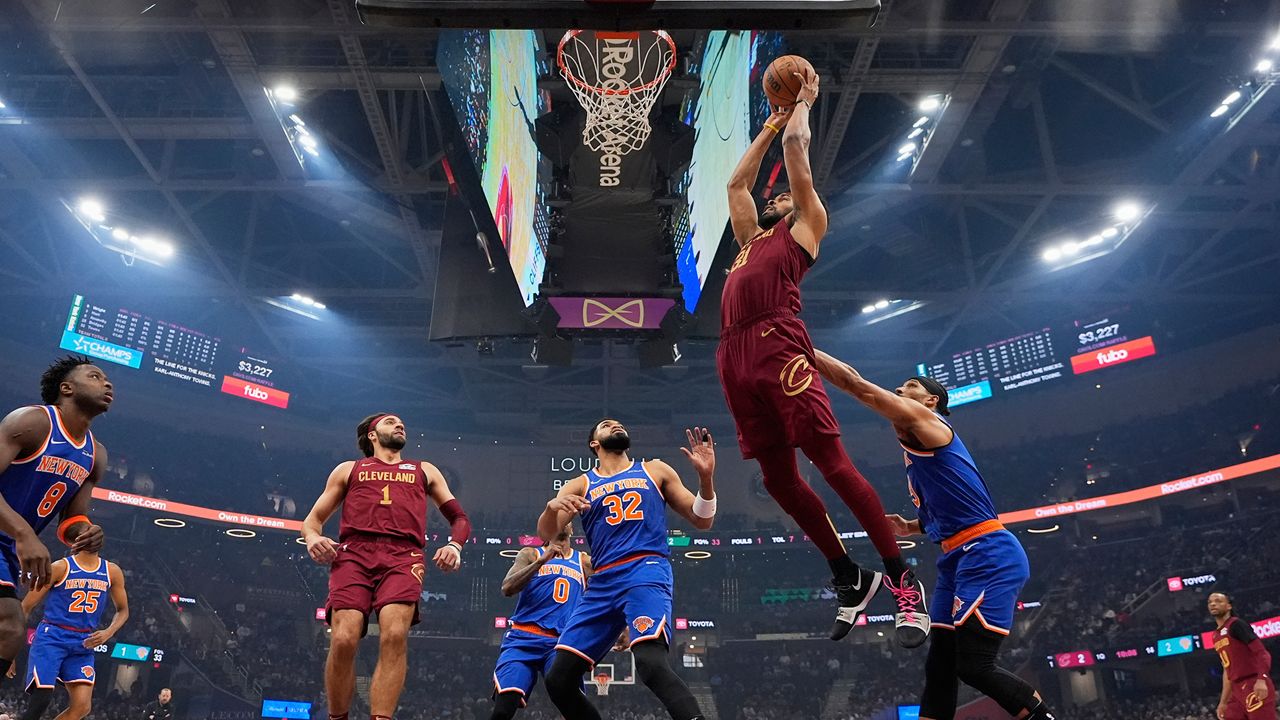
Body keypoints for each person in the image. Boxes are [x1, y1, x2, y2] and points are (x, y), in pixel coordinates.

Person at [721, 68, 926, 645]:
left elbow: (797, 153)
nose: (775, 196)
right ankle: (849, 576)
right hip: (733, 355)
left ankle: (902, 579)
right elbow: (736, 186)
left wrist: (802, 106)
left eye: (783, 195)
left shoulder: (806, 226)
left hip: (779, 343)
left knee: (831, 463)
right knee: (778, 481)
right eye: (775, 197)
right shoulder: (751, 241)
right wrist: (767, 125)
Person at [812, 351, 1055, 720]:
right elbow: (957, 504)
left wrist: (802, 346)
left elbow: (856, 384)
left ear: (931, 401)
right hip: (956, 556)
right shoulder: (919, 449)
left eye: (910, 386)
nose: (899, 389)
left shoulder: (930, 423)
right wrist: (912, 526)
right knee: (940, 665)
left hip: (988, 552)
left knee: (974, 666)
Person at [539, 421, 716, 720]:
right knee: (559, 680)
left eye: (618, 424)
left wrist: (706, 478)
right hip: (603, 581)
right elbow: (547, 534)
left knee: (650, 663)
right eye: (606, 425)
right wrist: (551, 507)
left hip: (644, 569)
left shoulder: (655, 470)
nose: (615, 425)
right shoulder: (580, 484)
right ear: (594, 443)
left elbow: (702, 519)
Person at [302, 413, 472, 720]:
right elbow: (312, 520)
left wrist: (454, 545)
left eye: (401, 422)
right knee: (342, 638)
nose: (399, 425)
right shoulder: (349, 469)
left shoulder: (425, 470)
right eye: (390, 422)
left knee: (394, 636)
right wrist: (313, 538)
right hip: (354, 553)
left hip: (403, 555)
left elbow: (459, 518)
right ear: (372, 435)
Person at [0, 356, 109, 681]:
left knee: (10, 630)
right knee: (10, 625)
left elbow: (71, 519)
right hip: (12, 540)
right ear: (67, 388)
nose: (107, 383)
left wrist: (86, 532)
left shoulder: (95, 455)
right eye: (95, 376)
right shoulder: (33, 421)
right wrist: (24, 534)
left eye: (107, 380)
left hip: (9, 550)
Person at [7, 549, 128, 720]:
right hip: (53, 636)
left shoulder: (110, 570)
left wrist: (109, 632)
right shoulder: (60, 567)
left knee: (82, 706)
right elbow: (25, 606)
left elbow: (123, 610)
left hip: (83, 641)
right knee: (42, 700)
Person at [489, 523, 592, 720]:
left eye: (568, 518)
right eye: (557, 517)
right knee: (503, 709)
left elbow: (611, 590)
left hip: (560, 643)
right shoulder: (531, 554)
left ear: (572, 529)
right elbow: (507, 588)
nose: (563, 520)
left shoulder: (584, 561)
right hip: (523, 638)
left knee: (573, 705)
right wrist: (540, 562)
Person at [1208, 592, 1275, 720]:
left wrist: (1261, 679)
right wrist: (1223, 701)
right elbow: (1227, 671)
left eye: (1218, 601)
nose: (1213, 604)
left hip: (1253, 682)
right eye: (1210, 602)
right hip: (1236, 689)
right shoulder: (1215, 635)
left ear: (1229, 606)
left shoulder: (1236, 625)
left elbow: (1262, 653)